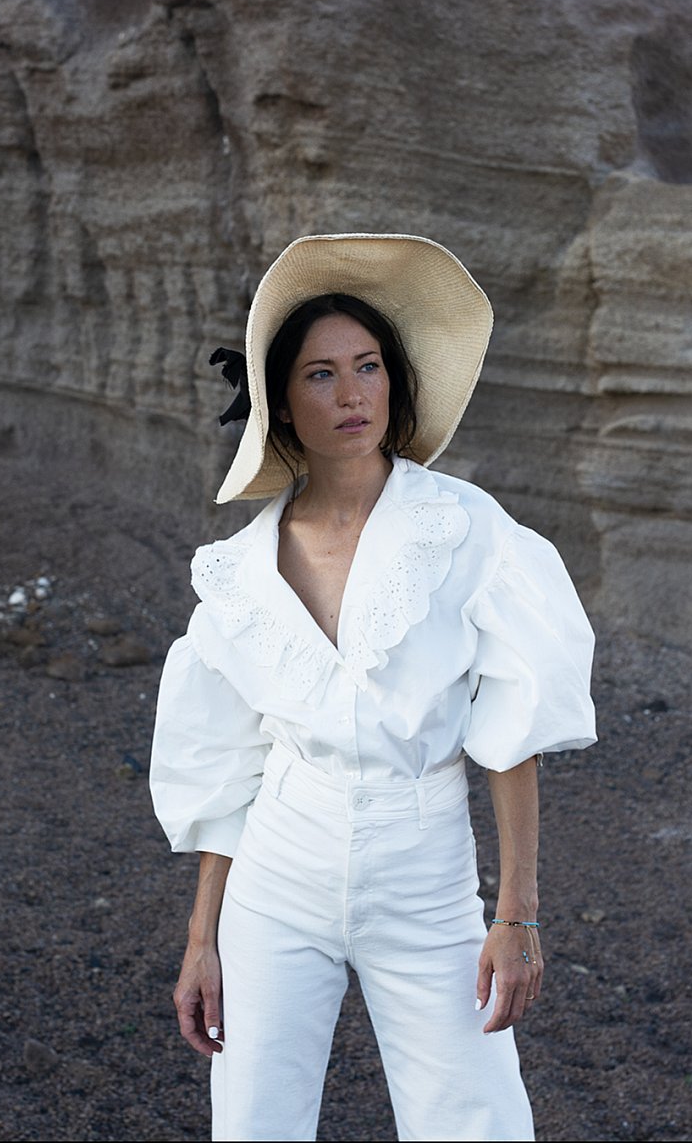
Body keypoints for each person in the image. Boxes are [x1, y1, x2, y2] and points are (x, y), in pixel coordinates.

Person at [150, 233, 596, 1143]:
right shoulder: (239, 573)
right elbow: (230, 771)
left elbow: (509, 737)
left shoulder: (467, 531)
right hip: (276, 876)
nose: (351, 394)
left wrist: (517, 914)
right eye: (321, 375)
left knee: (474, 1120)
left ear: (395, 383)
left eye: (368, 367)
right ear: (282, 401)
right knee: (255, 1123)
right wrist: (203, 941)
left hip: (424, 873)